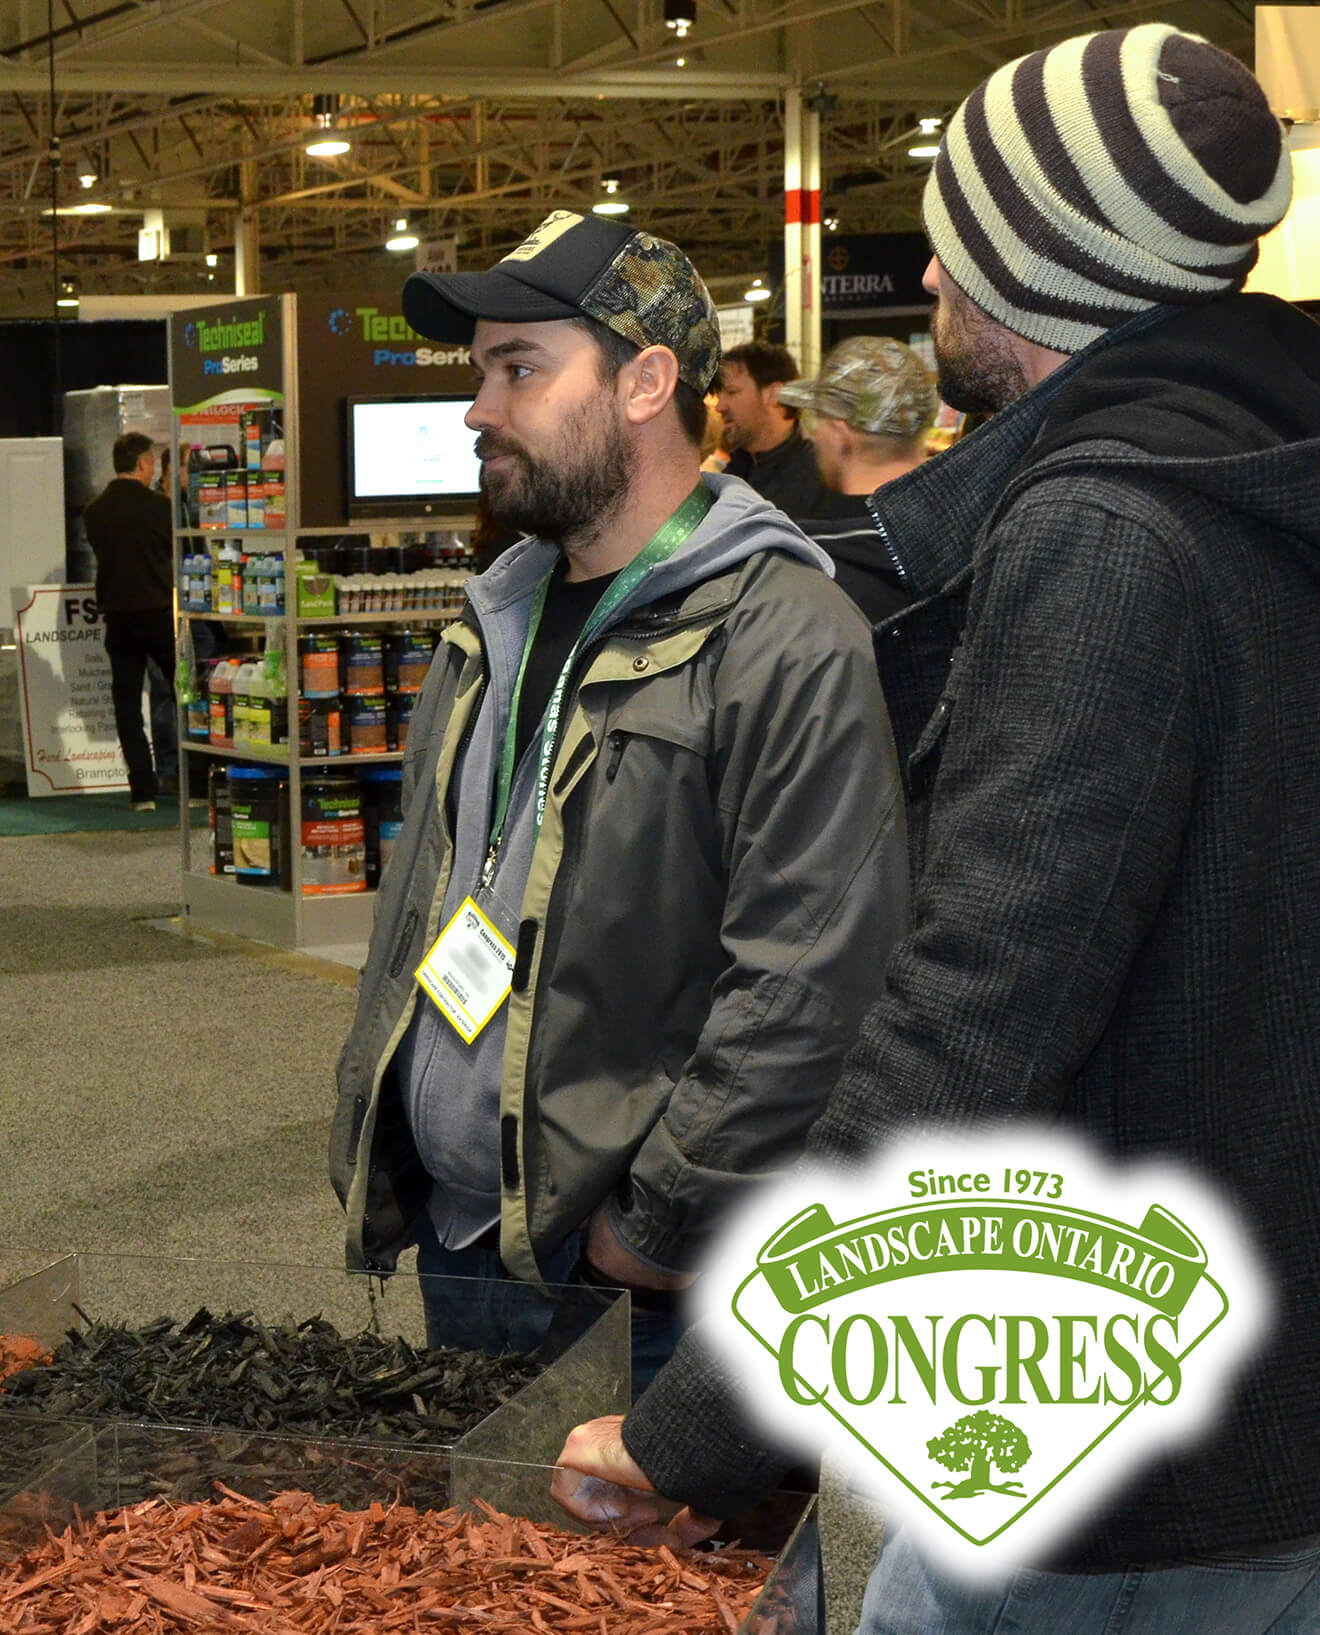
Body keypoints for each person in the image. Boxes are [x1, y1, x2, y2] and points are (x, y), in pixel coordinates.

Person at [555, 26, 1320, 1633]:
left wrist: (702, 1422)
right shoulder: (1258, 480)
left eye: (955, 240)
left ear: (1041, 270)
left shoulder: (1110, 535)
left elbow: (979, 1018)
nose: (927, 276)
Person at [330, 209, 908, 1396]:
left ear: (646, 384)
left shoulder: (785, 637)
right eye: (480, 373)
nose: (478, 409)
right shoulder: (492, 620)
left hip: (640, 1290)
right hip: (465, 1237)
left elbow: (808, 982)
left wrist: (652, 1230)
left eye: (519, 370)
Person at [778, 336, 939, 624]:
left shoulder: (808, 561)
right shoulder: (973, 534)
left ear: (841, 435)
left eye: (817, 420)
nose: (812, 435)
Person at [82, 431, 178, 809]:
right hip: (159, 612)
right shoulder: (160, 508)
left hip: (118, 616)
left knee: (126, 704)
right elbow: (178, 552)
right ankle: (194, 776)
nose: (153, 469)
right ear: (141, 463)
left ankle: (142, 790)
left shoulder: (95, 511)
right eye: (152, 462)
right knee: (184, 692)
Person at [713, 341, 831, 515]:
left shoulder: (825, 476)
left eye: (732, 392)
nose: (720, 406)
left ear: (775, 394)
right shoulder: (731, 475)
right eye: (719, 395)